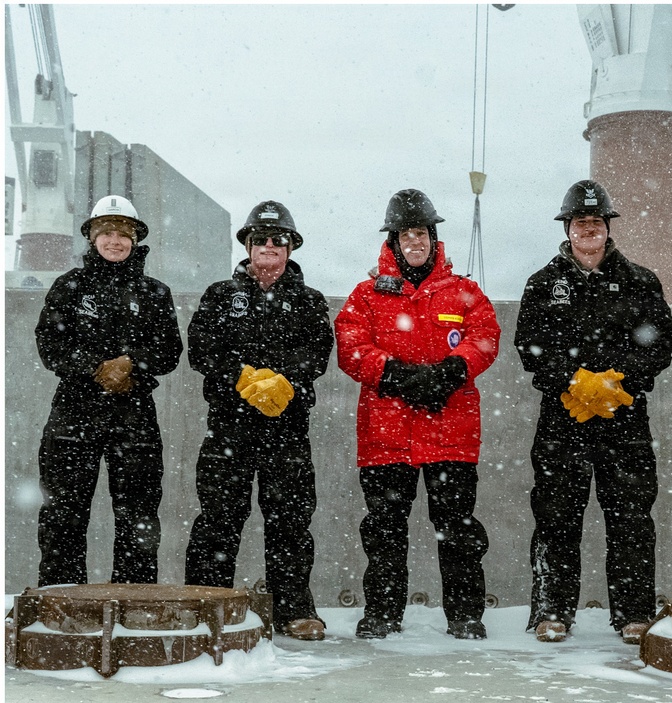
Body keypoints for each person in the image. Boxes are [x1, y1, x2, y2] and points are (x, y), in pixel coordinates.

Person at [335, 189, 500, 640]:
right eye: (406, 234)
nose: (415, 242)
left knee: (459, 532)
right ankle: (383, 614)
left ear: (433, 237)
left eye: (422, 233)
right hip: (387, 438)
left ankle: (465, 617)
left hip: (451, 434)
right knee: (385, 532)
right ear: (393, 241)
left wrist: (451, 372)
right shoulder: (366, 295)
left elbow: (485, 335)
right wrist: (400, 377)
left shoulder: (463, 291)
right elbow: (351, 349)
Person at [514, 179, 672, 644]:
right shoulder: (544, 282)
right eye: (580, 221)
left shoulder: (641, 280)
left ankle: (633, 612)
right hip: (562, 419)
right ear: (567, 227)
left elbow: (659, 343)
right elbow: (531, 346)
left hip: (624, 419)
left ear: (608, 227)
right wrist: (573, 381)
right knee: (556, 515)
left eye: (596, 221)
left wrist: (614, 382)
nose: (588, 228)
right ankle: (552, 609)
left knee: (630, 517)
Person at [184, 200, 334, 641]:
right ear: (248, 245)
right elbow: (202, 350)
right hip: (229, 429)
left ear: (291, 247)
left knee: (289, 520)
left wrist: (283, 377)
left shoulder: (308, 301)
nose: (269, 246)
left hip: (286, 430)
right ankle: (204, 605)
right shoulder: (218, 295)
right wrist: (242, 376)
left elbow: (318, 353)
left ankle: (294, 610)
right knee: (218, 518)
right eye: (261, 239)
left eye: (279, 240)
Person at [34, 195, 183, 586]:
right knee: (63, 512)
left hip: (134, 417)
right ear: (92, 238)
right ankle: (62, 600)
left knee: (139, 516)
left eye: (123, 233)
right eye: (107, 232)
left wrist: (132, 363)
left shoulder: (155, 293)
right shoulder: (69, 286)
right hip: (74, 413)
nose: (115, 241)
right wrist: (95, 368)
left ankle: (135, 603)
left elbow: (170, 351)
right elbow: (50, 344)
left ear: (135, 240)